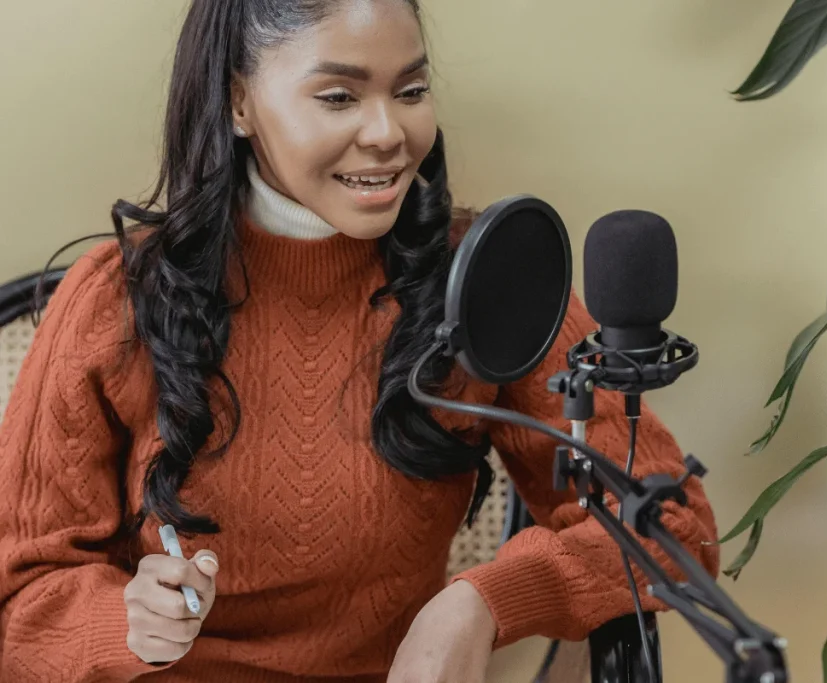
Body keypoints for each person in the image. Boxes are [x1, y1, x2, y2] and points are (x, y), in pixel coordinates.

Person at [0, 0, 719, 681]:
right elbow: (18, 602)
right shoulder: (115, 299)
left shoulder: (489, 280)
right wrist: (124, 620)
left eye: (409, 91)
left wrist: (485, 600)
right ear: (238, 101)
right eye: (339, 97)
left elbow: (675, 525)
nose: (387, 133)